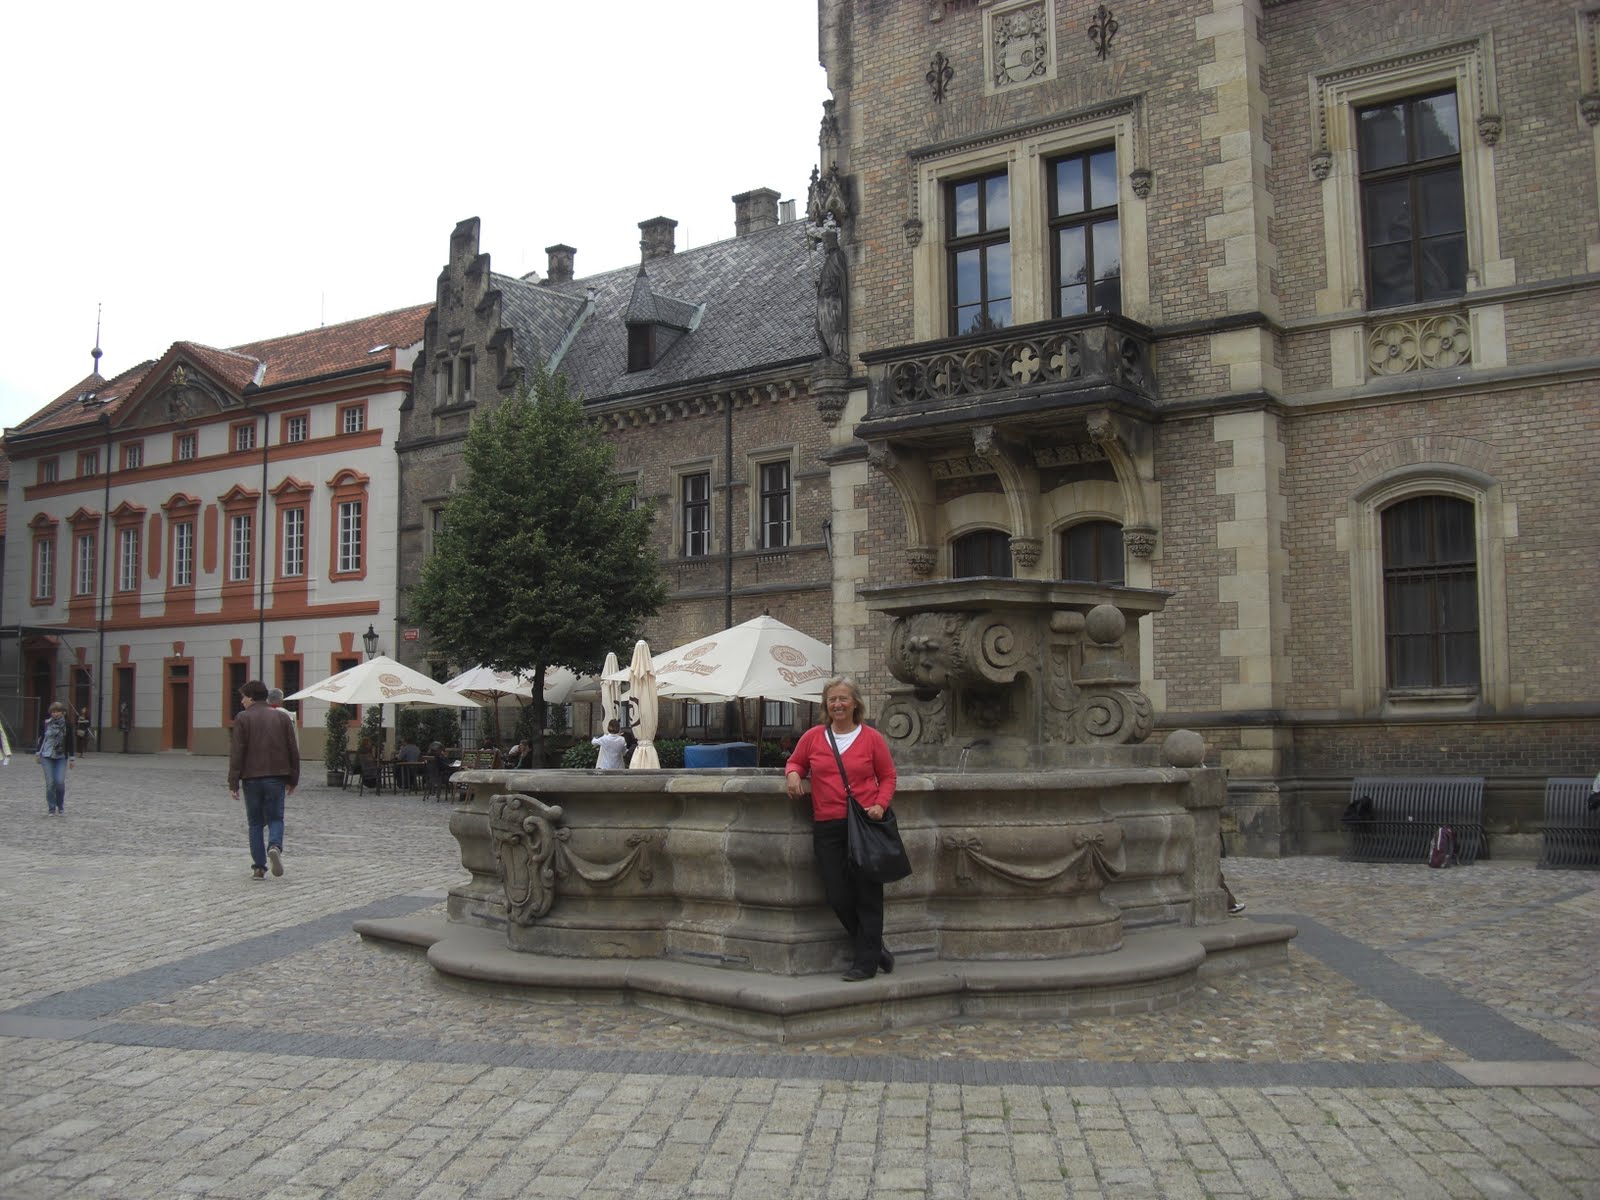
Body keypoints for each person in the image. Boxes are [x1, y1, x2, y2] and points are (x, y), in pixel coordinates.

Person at [785, 677, 898, 982]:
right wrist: (793, 775)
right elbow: (795, 762)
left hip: (864, 823)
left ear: (855, 703)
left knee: (868, 894)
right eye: (832, 699)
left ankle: (865, 963)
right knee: (837, 894)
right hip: (828, 824)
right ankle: (875, 949)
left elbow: (888, 776)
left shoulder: (872, 738)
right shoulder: (813, 737)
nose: (838, 704)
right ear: (826, 704)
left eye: (843, 699)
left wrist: (880, 804)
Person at [228, 679, 300, 880]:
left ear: (251, 697)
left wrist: (233, 782)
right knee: (276, 818)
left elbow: (237, 752)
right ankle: (275, 846)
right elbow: (292, 749)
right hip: (276, 776)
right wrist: (293, 778)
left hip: (251, 777)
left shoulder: (243, 718)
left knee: (255, 823)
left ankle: (259, 867)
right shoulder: (282, 717)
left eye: (243, 697)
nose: (242, 701)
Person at [36, 700, 76, 815]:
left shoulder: (67, 725)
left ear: (62, 712)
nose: (55, 714)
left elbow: (70, 741)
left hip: (61, 756)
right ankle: (52, 808)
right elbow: (41, 739)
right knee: (50, 783)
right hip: (46, 755)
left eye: (58, 711)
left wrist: (72, 758)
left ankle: (60, 805)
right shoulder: (46, 723)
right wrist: (38, 753)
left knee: (59, 782)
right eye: (53, 712)